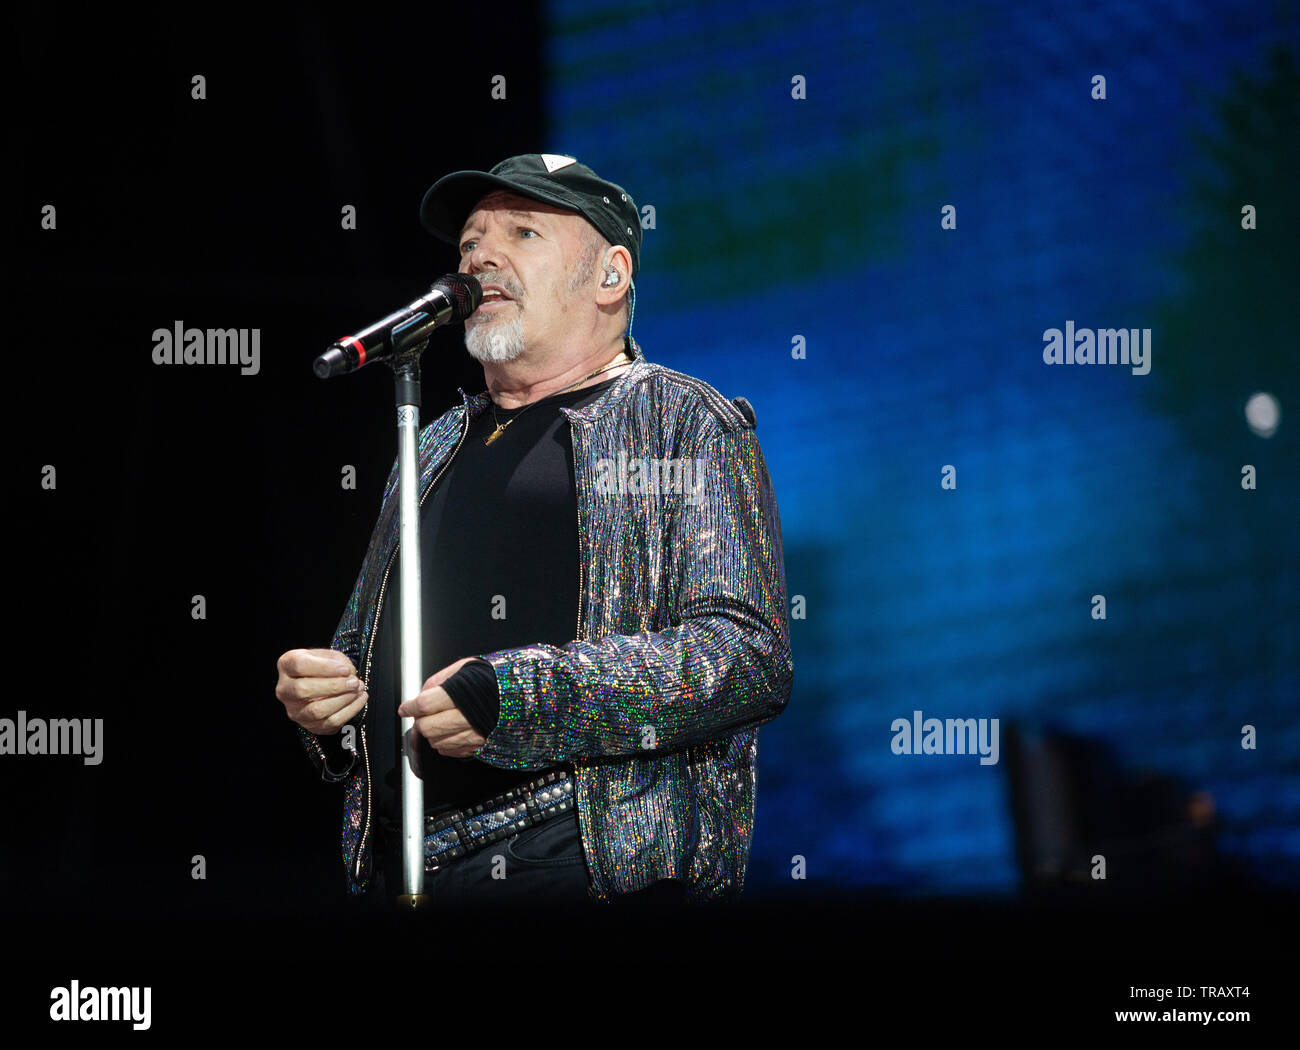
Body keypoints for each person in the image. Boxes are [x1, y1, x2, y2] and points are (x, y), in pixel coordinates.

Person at [275, 153, 793, 908]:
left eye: (521, 232)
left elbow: (745, 657)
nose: (481, 254)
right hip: (401, 865)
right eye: (469, 243)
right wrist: (326, 705)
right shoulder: (432, 443)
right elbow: (361, 650)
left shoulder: (679, 421)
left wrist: (516, 697)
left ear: (610, 277)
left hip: (577, 858)